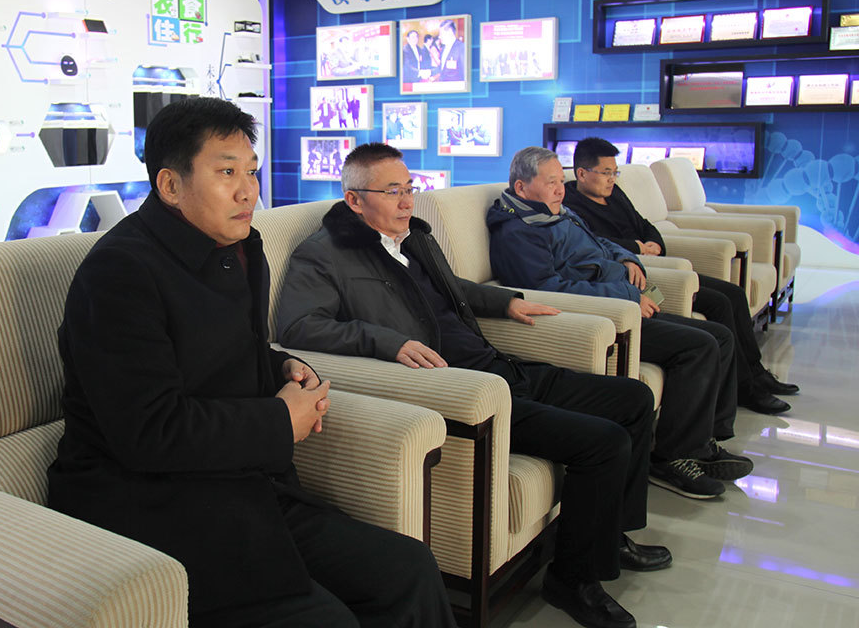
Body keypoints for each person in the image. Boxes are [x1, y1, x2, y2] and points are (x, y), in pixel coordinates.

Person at [47, 98, 456, 628]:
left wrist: (279, 366)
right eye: (226, 173)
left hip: (242, 483)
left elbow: (219, 347)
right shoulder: (119, 272)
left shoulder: (238, 246)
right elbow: (148, 430)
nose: (248, 191)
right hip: (151, 501)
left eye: (252, 172)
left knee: (408, 568)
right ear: (170, 185)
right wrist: (280, 421)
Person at [278, 141, 673, 628]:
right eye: (392, 191)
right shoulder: (324, 254)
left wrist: (505, 301)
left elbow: (452, 288)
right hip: (467, 389)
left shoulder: (414, 238)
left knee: (633, 399)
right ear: (355, 199)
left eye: (410, 188)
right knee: (605, 442)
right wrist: (387, 342)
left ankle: (610, 537)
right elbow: (298, 327)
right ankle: (573, 581)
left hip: (498, 364)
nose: (407, 201)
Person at [488, 146, 755, 502]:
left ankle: (703, 443)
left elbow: (600, 243)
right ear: (522, 188)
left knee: (719, 335)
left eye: (560, 181)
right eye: (551, 182)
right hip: (607, 312)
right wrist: (625, 295)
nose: (560, 189)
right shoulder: (519, 231)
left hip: (625, 294)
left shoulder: (556, 212)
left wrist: (629, 259)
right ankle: (672, 458)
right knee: (699, 346)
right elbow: (548, 289)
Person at [564, 137, 798, 414]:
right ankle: (745, 388)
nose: (612, 179)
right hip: (641, 277)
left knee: (733, 294)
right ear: (582, 173)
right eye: (606, 173)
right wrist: (637, 248)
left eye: (615, 172)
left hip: (655, 263)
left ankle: (755, 373)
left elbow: (644, 224)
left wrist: (654, 242)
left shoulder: (615, 193)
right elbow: (595, 243)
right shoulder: (571, 205)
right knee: (719, 303)